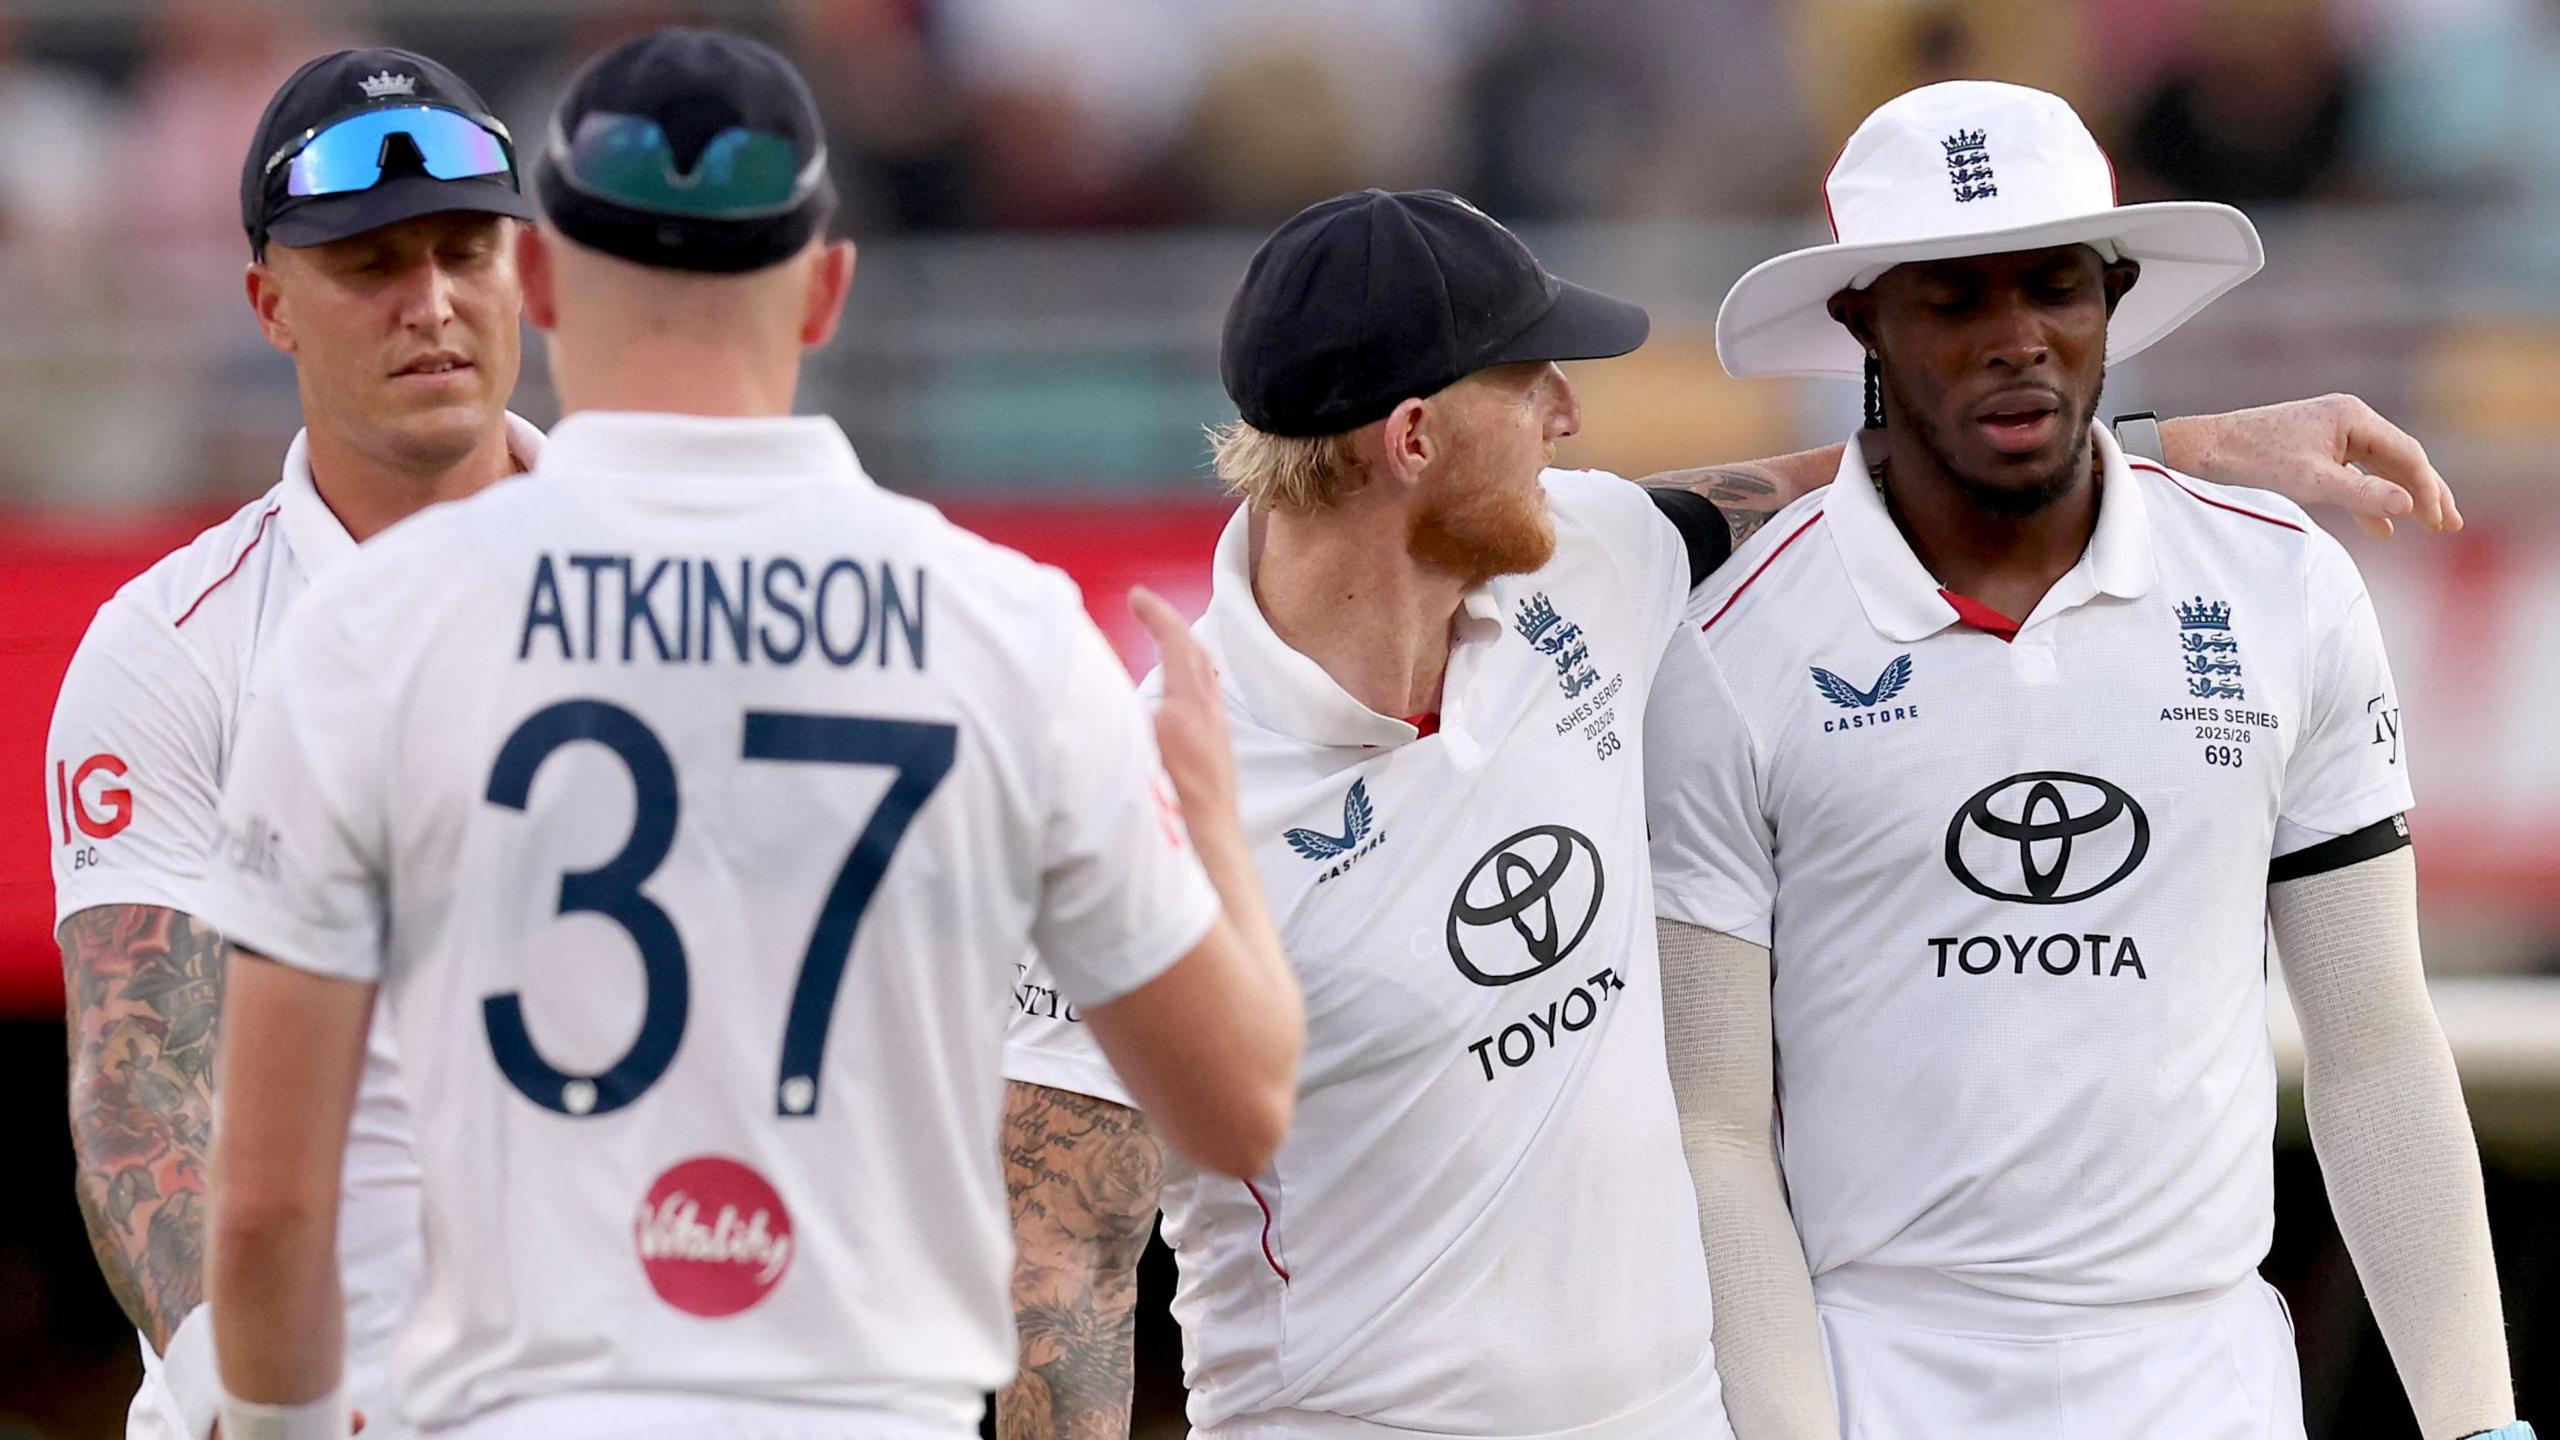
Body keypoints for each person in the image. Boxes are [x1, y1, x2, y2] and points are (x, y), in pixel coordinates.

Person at [995, 186, 2467, 1439]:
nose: (1574, 415)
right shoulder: (1148, 805)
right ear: (1416, 439)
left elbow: (1856, 485)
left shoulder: (1575, 567)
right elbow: (1060, 1271)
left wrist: (2172, 446)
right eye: (1534, 384)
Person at [194, 28, 1303, 1440]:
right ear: (830, 290)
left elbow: (269, 1206)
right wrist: (1211, 819)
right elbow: (1238, 1110)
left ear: (534, 281)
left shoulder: (368, 632)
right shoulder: (1005, 631)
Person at [1649, 80, 2535, 1440]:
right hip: (1877, 1375)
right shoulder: (1729, 643)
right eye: (1954, 300)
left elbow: (2373, 1046)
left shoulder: (2283, 586)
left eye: (2054, 287)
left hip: (2211, 1380)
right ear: (1859, 320)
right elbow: (1712, 1131)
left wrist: (2479, 1423)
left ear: (2112, 294)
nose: (2017, 341)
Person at [47, 47, 541, 1440]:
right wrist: (249, 1394)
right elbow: (141, 1070)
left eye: (463, 248)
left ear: (527, 273)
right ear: (270, 305)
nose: (430, 301)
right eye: (371, 262)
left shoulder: (675, 596)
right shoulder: (172, 646)